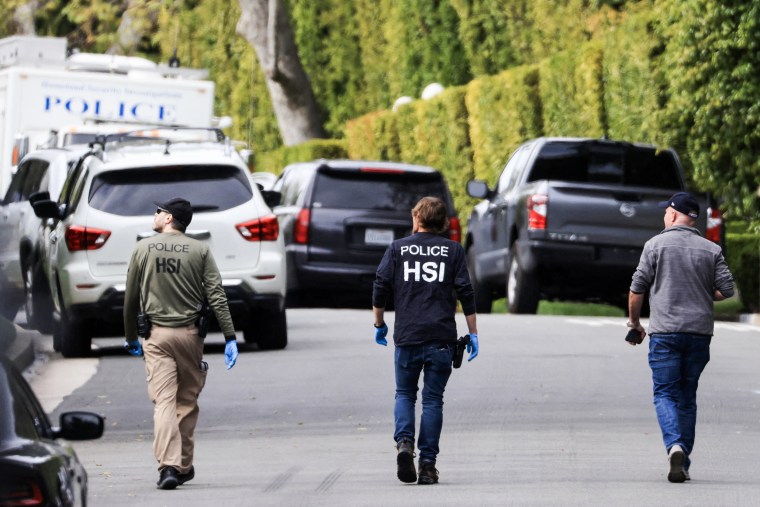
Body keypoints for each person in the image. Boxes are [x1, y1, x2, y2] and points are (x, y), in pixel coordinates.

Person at [123, 197, 239, 490]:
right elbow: (216, 295)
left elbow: (130, 299)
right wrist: (229, 336)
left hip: (156, 337)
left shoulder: (142, 248)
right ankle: (183, 465)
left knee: (164, 401)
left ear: (169, 218)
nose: (155, 214)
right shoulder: (200, 250)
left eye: (159, 211)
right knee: (186, 401)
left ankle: (169, 467)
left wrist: (129, 336)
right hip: (190, 337)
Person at [628, 191, 733, 483]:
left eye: (666, 212)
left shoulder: (655, 245)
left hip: (665, 334)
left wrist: (634, 323)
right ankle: (683, 459)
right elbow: (726, 290)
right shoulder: (711, 249)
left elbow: (637, 288)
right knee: (687, 397)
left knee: (664, 393)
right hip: (699, 335)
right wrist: (701, 293)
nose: (664, 216)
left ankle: (674, 445)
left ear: (673, 214)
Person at [372, 196, 479, 485]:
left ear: (417, 217)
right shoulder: (453, 251)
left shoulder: (397, 249)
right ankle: (428, 466)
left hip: (407, 336)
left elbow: (381, 285)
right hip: (441, 338)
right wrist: (474, 333)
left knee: (405, 394)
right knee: (433, 399)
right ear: (444, 222)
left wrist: (379, 323)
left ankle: (405, 443)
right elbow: (466, 293)